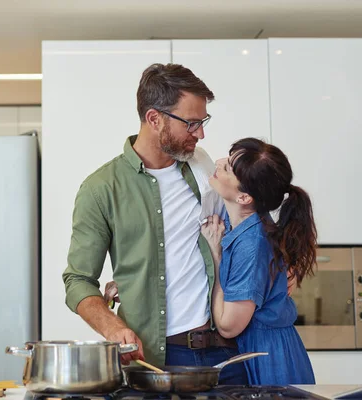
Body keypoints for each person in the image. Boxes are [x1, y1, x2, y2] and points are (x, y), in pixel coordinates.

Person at [62, 62, 248, 384]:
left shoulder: (203, 166)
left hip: (226, 352)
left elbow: (245, 222)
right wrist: (113, 326)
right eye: (191, 124)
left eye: (202, 122)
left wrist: (282, 262)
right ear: (154, 118)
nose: (200, 133)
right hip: (156, 359)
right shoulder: (101, 189)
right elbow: (78, 280)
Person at [200, 137, 316, 385]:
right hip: (266, 350)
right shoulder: (244, 223)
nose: (218, 163)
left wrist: (216, 256)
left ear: (244, 197)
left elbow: (228, 326)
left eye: (228, 167)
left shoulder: (252, 243)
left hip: (269, 359)